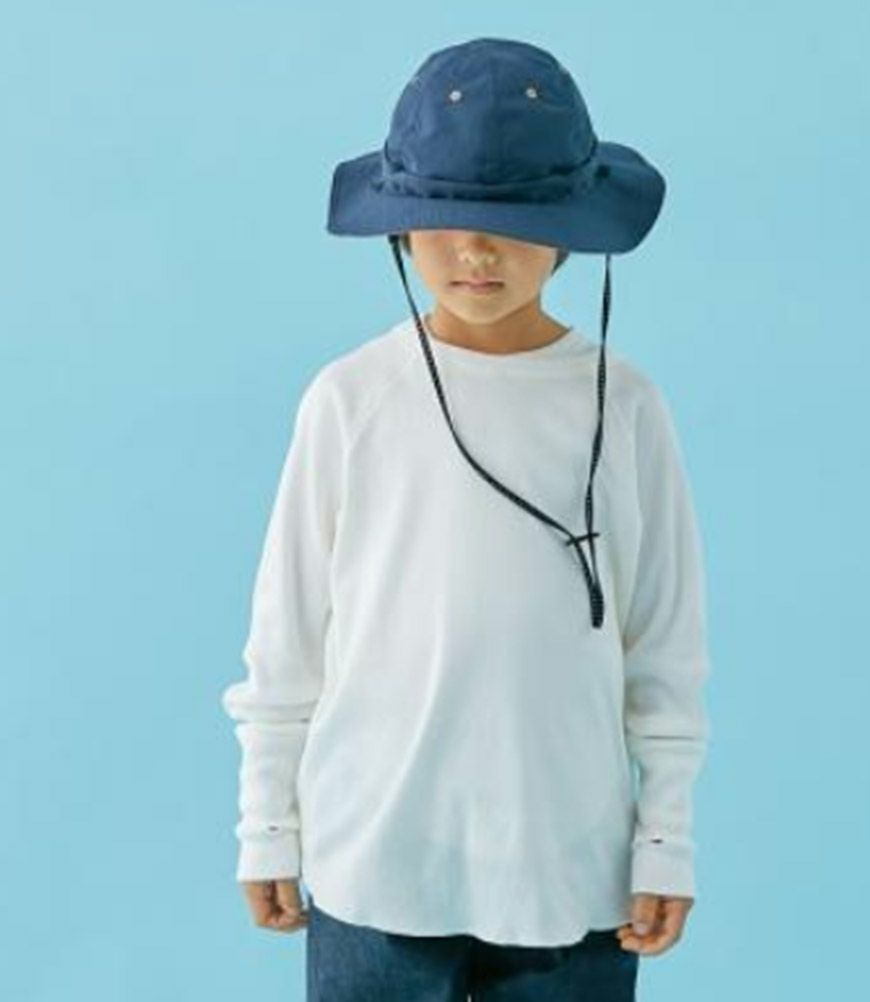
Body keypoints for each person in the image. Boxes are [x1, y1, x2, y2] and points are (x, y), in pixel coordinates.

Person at [220, 36, 712, 1002]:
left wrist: (666, 840)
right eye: (444, 222)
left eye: (509, 223)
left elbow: (665, 646)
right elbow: (286, 638)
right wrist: (265, 823)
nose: (476, 252)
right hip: (376, 862)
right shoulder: (351, 400)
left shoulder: (626, 406)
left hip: (571, 869)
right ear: (401, 227)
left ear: (569, 229)